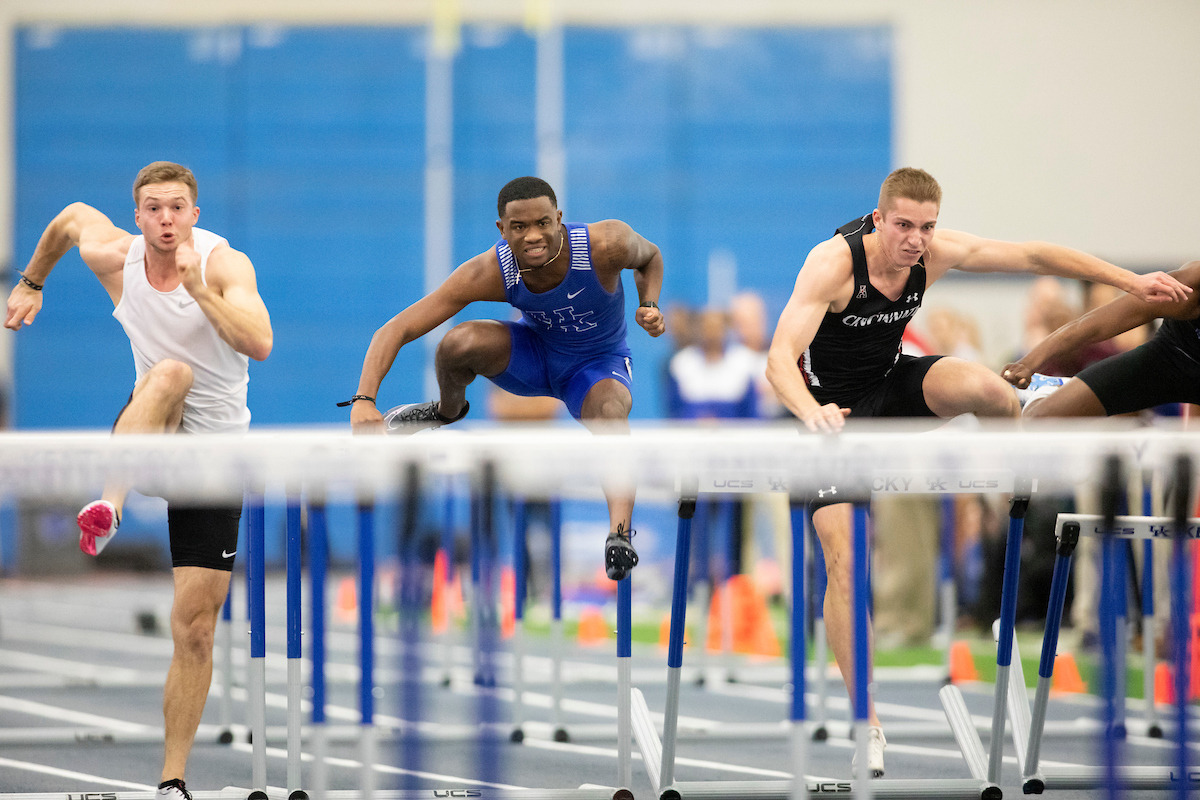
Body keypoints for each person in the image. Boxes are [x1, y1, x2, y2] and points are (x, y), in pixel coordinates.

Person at [765, 166, 1190, 778]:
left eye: (927, 228)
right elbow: (779, 359)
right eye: (904, 226)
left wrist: (1133, 281)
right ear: (878, 219)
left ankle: (1011, 485)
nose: (915, 240)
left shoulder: (934, 252)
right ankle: (869, 725)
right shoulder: (833, 263)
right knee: (842, 562)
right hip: (831, 419)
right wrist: (813, 414)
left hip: (893, 387)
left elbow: (1034, 253)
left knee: (989, 389)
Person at [3, 161, 273, 800]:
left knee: (196, 627)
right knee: (171, 373)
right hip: (152, 429)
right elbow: (70, 217)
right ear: (138, 216)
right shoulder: (115, 257)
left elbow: (260, 342)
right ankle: (109, 504)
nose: (166, 220)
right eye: (153, 208)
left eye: (177, 207)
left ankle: (171, 780)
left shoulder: (223, 265)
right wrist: (31, 282)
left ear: (195, 214)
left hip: (213, 460)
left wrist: (200, 293)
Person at [348, 176, 664, 580]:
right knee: (456, 343)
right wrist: (364, 399)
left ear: (559, 219)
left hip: (596, 365)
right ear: (502, 229)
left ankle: (619, 535)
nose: (533, 237)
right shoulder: (492, 270)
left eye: (543, 224)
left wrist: (649, 303)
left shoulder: (606, 244)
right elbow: (398, 328)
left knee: (609, 414)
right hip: (533, 356)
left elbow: (650, 257)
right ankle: (445, 412)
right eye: (519, 228)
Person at [1002, 260, 1200, 417]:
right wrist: (1030, 362)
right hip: (1171, 360)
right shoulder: (1191, 284)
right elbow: (1095, 324)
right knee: (1041, 416)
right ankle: (1057, 389)